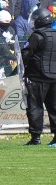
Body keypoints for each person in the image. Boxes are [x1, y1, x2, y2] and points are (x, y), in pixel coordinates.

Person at [20, 8, 56, 147]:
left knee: (35, 108)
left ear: (40, 20)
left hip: (37, 77)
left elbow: (25, 54)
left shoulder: (37, 36)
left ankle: (36, 138)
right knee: (54, 108)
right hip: (54, 78)